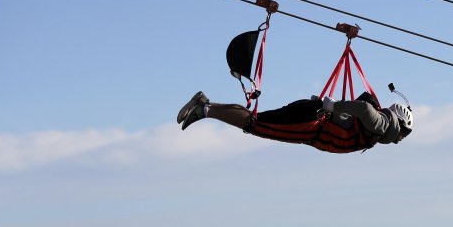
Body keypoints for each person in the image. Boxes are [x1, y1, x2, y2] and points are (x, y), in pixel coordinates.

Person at [176, 90, 413, 153]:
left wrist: (330, 107)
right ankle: (205, 109)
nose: (399, 140)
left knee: (256, 121)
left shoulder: (378, 129)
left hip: (312, 118)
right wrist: (332, 107)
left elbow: (357, 114)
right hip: (309, 125)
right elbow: (362, 108)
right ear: (399, 123)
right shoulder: (384, 126)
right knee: (254, 124)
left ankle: (206, 105)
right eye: (403, 134)